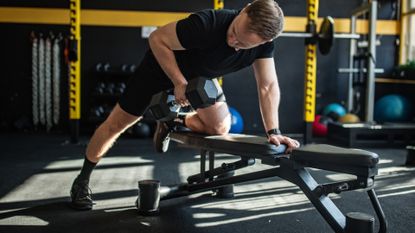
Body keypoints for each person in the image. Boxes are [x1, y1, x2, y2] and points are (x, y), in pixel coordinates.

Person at [69, 0, 300, 210]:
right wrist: (178, 82)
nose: (232, 41)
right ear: (245, 9)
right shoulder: (207, 23)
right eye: (234, 33)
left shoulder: (264, 46)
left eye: (241, 43)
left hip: (199, 82)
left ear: (265, 41)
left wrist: (274, 132)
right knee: (115, 125)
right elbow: (157, 38)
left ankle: (174, 119)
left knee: (220, 128)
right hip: (157, 72)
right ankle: (82, 180)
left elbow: (268, 86)